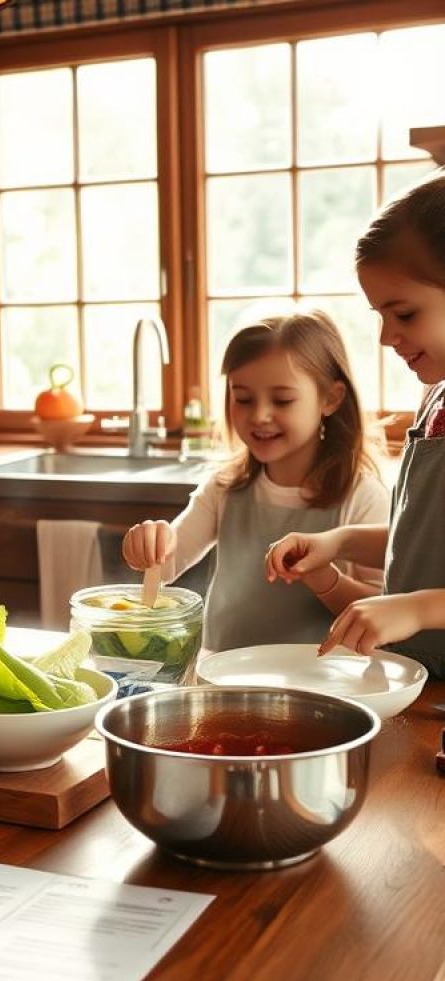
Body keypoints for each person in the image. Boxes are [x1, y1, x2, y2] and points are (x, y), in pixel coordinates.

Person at [122, 310, 388, 653]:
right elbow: (168, 561)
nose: (259, 415)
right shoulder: (224, 487)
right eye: (243, 398)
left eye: (282, 400)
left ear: (331, 399)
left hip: (322, 688)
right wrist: (147, 544)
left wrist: (325, 579)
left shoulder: (362, 496)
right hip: (223, 676)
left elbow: (381, 612)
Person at [267, 171, 445, 674]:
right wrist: (339, 542)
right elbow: (424, 539)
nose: (388, 336)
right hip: (418, 677)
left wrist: (415, 608)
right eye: (380, 316)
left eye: (405, 314)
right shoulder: (436, 401)